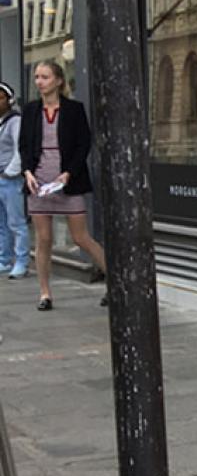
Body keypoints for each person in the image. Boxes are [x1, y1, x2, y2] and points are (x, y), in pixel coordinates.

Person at [20, 60, 109, 310]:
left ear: (58, 80)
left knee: (81, 237)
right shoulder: (30, 111)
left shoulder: (74, 109)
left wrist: (69, 172)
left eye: (45, 77)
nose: (39, 82)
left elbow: (84, 143)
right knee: (44, 239)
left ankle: (115, 280)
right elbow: (24, 145)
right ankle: (45, 293)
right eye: (37, 77)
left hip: (68, 179)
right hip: (38, 180)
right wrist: (27, 171)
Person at [0, 82, 27, 280]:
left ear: (9, 100)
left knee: (16, 222)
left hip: (9, 178)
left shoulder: (14, 121)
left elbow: (20, 149)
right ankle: (4, 258)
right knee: (2, 223)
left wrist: (10, 173)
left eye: (1, 98)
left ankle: (21, 261)